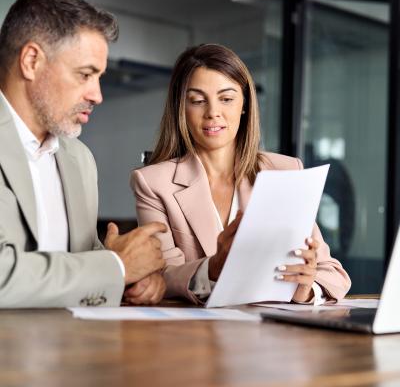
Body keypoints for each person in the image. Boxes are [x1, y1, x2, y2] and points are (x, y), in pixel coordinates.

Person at [131, 43, 351, 304]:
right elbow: (161, 276)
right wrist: (210, 268)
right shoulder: (154, 183)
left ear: (244, 105)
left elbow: (334, 274)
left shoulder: (285, 171)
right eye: (198, 101)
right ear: (182, 108)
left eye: (226, 98)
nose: (213, 112)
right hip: (195, 336)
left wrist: (305, 287)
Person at [0, 0, 167, 308]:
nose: (97, 95)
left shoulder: (79, 159)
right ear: (31, 61)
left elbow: (85, 264)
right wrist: (116, 267)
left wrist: (135, 278)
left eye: (100, 77)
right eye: (86, 74)